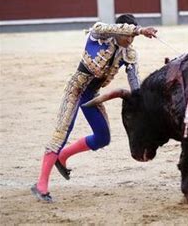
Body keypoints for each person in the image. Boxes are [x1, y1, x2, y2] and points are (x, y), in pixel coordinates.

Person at [30, 14, 158, 203]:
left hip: (92, 94)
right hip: (76, 89)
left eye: (133, 37)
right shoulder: (99, 33)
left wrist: (143, 102)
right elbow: (110, 29)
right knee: (62, 133)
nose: (130, 40)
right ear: (118, 29)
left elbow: (135, 84)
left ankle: (63, 156)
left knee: (103, 137)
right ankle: (41, 185)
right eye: (128, 35)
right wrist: (140, 30)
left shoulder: (129, 54)